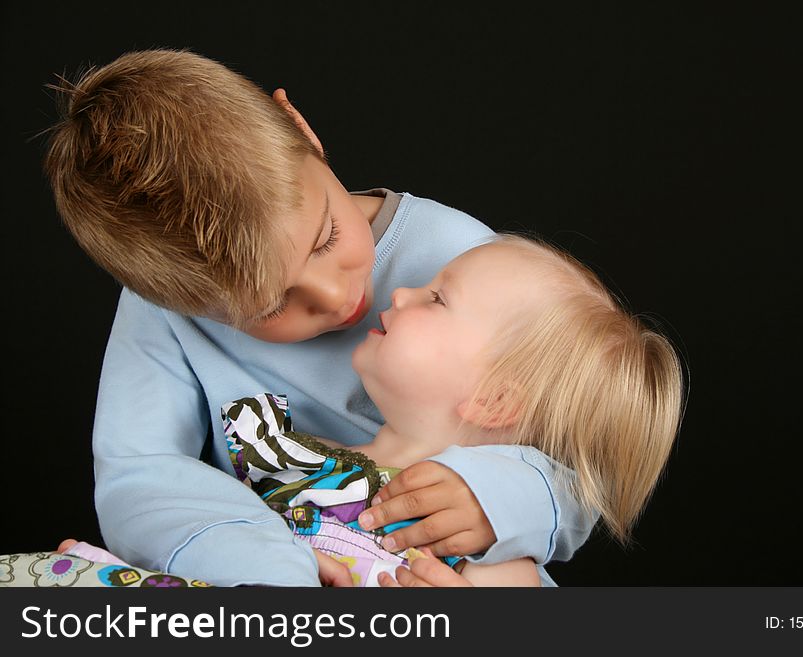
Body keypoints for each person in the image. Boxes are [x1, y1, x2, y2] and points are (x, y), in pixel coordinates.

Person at [42, 49, 593, 586]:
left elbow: (590, 456)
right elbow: (139, 476)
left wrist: (500, 498)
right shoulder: (164, 308)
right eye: (270, 306)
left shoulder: (463, 263)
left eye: (326, 236)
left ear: (301, 130)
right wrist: (257, 558)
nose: (334, 296)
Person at [221, 235, 684, 586]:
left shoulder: (482, 550)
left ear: (493, 400)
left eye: (437, 299)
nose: (400, 293)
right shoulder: (303, 456)